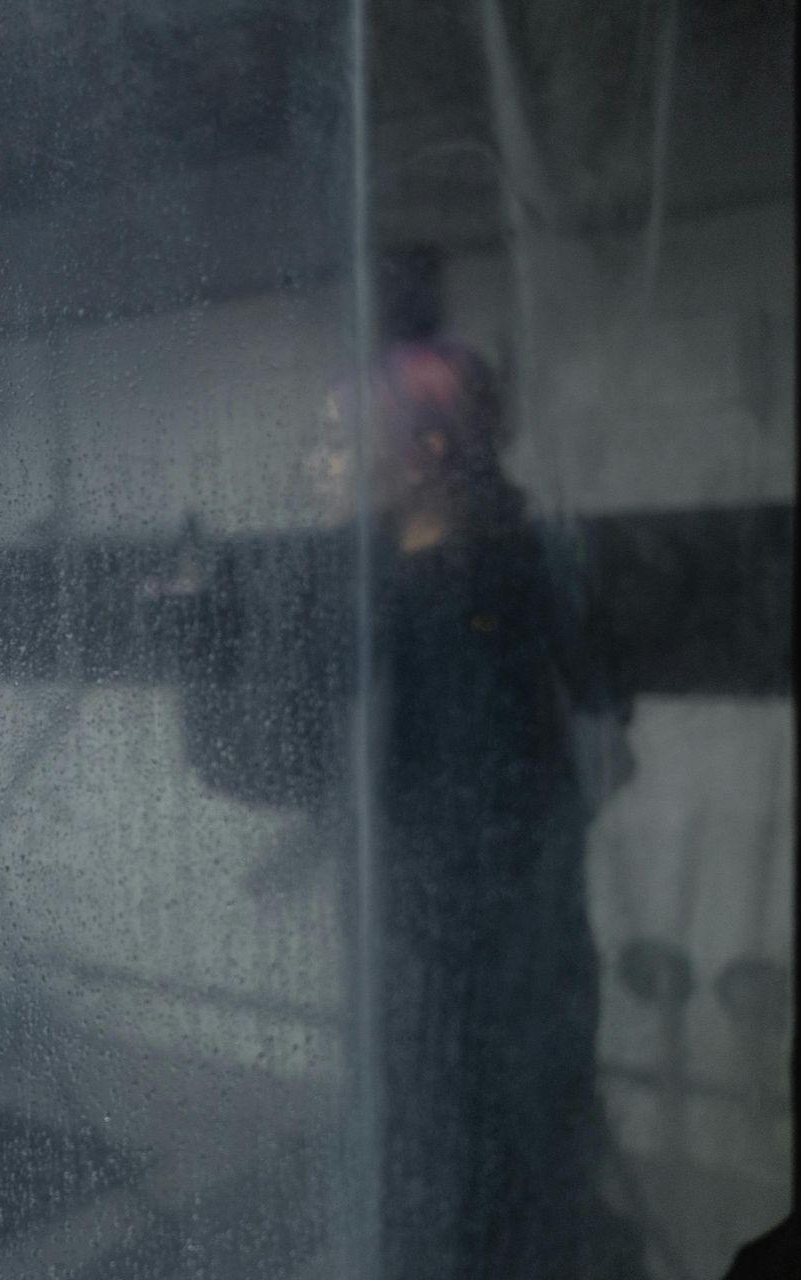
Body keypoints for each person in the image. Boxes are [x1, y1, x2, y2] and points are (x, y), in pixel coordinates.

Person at [167, 339, 638, 1278]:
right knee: (528, 1193)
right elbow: (602, 753)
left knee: (442, 1209)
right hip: (532, 966)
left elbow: (266, 763)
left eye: (342, 439)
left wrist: (196, 622)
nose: (317, 461)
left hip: (435, 983)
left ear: (426, 455)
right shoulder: (527, 566)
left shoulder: (410, 601)